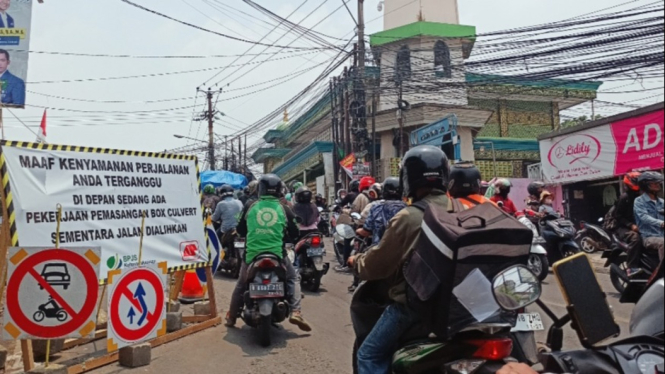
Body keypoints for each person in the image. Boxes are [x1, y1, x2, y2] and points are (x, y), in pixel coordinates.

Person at [349, 145, 451, 374]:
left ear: (408, 178)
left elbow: (378, 265)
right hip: (460, 306)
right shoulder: (462, 209)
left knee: (368, 354)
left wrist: (356, 263)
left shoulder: (408, 216)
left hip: (416, 307)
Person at [226, 174, 312, 332]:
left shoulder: (250, 206)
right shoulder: (285, 208)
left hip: (252, 255)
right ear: (279, 190)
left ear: (260, 189)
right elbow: (295, 232)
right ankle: (296, 311)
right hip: (277, 254)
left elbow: (240, 230)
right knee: (293, 277)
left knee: (241, 283)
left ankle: (231, 317)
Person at [609, 172, 644, 269]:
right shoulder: (624, 198)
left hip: (640, 225)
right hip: (622, 227)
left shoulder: (642, 197)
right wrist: (631, 225)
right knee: (635, 239)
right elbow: (618, 216)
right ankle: (632, 267)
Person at [634, 172, 664, 261]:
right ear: (645, 185)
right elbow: (644, 217)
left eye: (658, 183)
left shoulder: (662, 202)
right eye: (653, 183)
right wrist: (661, 223)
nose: (657, 185)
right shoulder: (639, 201)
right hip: (649, 236)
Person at [212, 185, 243, 249]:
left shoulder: (221, 204)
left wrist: (209, 217)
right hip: (239, 228)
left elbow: (215, 218)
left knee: (215, 237)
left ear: (222, 194)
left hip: (226, 228)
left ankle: (219, 252)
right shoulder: (239, 202)